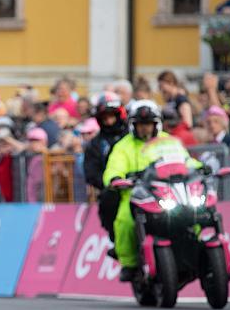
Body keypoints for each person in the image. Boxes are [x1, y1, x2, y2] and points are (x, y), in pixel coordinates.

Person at [103, 100, 198, 282]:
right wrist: (115, 178)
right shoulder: (124, 146)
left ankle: (197, 249)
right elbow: (114, 167)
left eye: (148, 124)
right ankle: (129, 264)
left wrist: (200, 167)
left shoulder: (169, 142)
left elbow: (186, 161)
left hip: (170, 192)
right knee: (124, 221)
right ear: (133, 126)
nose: (144, 129)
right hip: (137, 194)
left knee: (196, 212)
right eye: (140, 124)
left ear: (157, 125)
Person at [83, 93, 128, 253]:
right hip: (114, 189)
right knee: (108, 203)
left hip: (141, 184)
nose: (109, 121)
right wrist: (108, 183)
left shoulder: (131, 137)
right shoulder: (96, 144)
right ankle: (118, 242)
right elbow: (90, 171)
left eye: (112, 116)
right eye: (105, 117)